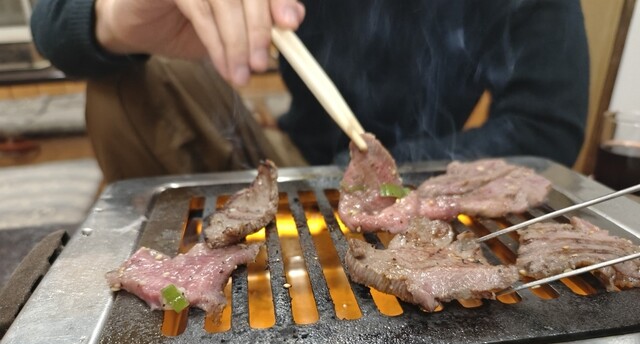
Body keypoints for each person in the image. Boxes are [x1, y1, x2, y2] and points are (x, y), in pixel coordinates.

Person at [30, 0, 589, 184]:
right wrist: (114, 18)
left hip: (419, 173)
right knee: (127, 81)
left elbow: (545, 127)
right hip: (290, 158)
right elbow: (53, 25)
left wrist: (382, 168)